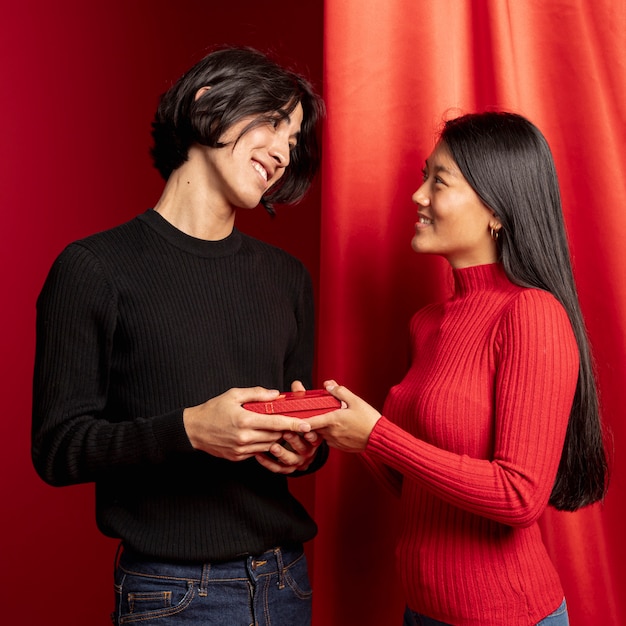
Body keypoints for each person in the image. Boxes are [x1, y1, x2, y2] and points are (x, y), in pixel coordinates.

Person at [32, 46, 326, 626]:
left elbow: (301, 436)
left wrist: (304, 450)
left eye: (292, 143)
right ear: (208, 105)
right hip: (173, 595)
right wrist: (190, 430)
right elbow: (58, 449)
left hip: (286, 581)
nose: (281, 154)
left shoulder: (288, 278)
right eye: (271, 123)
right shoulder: (93, 268)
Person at [305, 111, 609, 625]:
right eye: (425, 176)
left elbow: (519, 495)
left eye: (438, 181)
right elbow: (420, 486)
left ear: (496, 210)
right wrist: (347, 430)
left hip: (505, 616)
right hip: (423, 612)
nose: (418, 196)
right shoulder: (426, 324)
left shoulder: (530, 314)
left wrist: (376, 434)